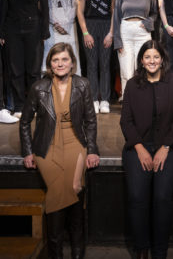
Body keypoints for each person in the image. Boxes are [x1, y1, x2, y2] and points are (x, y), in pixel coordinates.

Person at [20, 42, 100, 259]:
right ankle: (56, 253)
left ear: (72, 63)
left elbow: (90, 121)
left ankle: (74, 254)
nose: (60, 64)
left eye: (65, 59)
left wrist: (92, 150)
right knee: (63, 192)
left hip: (76, 143)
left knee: (74, 186)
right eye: (55, 60)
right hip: (47, 146)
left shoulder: (82, 84)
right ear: (50, 64)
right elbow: (25, 121)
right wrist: (27, 151)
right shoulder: (39, 88)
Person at [120, 40, 173, 259]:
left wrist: (165, 147)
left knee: (161, 197)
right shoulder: (132, 85)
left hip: (171, 146)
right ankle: (141, 248)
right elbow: (126, 121)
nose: (152, 61)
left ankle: (159, 251)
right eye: (147, 57)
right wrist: (139, 148)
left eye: (156, 57)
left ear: (162, 59)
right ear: (141, 60)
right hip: (138, 145)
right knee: (137, 196)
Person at [0, 0, 50, 118]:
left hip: (33, 29)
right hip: (12, 30)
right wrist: (1, 32)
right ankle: (19, 106)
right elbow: (3, 9)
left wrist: (44, 32)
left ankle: (33, 106)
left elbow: (45, 9)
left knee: (33, 71)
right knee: (15, 70)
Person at [77, 0, 115, 113]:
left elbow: (114, 13)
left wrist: (111, 33)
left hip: (106, 26)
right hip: (90, 26)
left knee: (105, 64)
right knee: (92, 65)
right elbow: (79, 12)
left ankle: (105, 100)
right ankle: (93, 99)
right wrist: (86, 33)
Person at [113, 0, 157, 96]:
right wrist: (117, 41)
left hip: (142, 33)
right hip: (125, 32)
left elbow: (154, 13)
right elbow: (116, 17)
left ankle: (142, 98)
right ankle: (127, 100)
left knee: (143, 69)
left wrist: (149, 22)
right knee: (126, 71)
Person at [42, 0, 81, 77]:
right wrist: (55, 23)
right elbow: (42, 5)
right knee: (52, 55)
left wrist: (65, 24)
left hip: (69, 26)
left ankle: (71, 86)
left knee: (69, 55)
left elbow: (75, 5)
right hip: (51, 26)